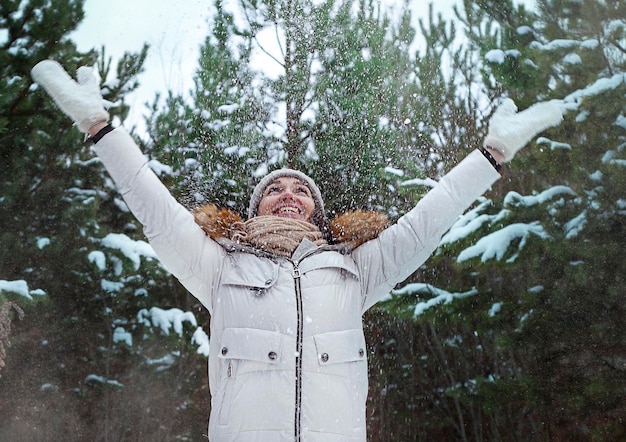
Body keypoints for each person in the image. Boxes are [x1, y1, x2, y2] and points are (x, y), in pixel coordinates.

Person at [30, 60, 563, 442]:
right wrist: (100, 130)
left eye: (302, 190)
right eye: (275, 190)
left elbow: (429, 220)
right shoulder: (220, 267)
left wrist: (490, 155)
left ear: (316, 210)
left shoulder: (355, 270)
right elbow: (158, 210)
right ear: (258, 207)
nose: (289, 195)